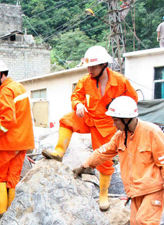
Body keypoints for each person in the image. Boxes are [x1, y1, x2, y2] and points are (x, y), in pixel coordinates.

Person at [74, 96, 164, 225]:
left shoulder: (151, 132)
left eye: (115, 120)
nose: (114, 124)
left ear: (127, 118)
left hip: (152, 187)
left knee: (146, 221)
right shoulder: (121, 136)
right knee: (136, 224)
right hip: (135, 190)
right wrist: (85, 165)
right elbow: (104, 151)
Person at [42, 45, 138, 211]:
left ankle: (103, 194)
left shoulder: (120, 82)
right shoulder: (85, 80)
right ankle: (59, 152)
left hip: (107, 125)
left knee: (105, 161)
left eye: (93, 66)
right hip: (88, 118)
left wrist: (123, 120)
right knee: (66, 119)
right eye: (88, 66)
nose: (90, 69)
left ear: (103, 66)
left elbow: (132, 100)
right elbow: (76, 96)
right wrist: (78, 104)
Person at [0, 60, 35, 220]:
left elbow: (7, 120)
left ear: (0, 75)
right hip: (23, 140)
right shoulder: (18, 87)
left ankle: (0, 210)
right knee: (13, 177)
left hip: (9, 142)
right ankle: (11, 212)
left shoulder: (5, 91)